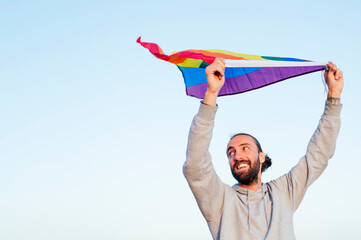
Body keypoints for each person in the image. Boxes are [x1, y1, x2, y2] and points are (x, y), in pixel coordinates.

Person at [183, 58, 343, 240]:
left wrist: (334, 96)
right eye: (231, 152)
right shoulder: (220, 200)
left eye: (244, 148)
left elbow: (318, 156)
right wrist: (211, 94)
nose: (236, 156)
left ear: (261, 157)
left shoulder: (283, 191)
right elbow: (195, 166)